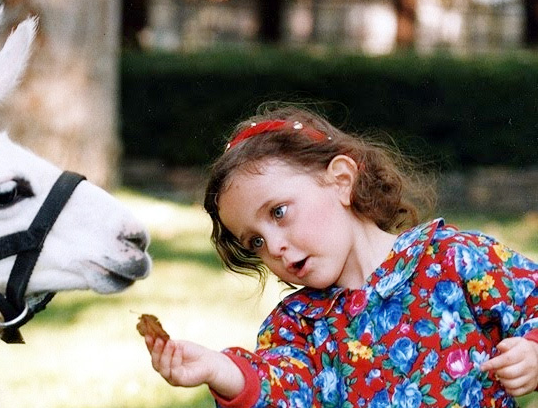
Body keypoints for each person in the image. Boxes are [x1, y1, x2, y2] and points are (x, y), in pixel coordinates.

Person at [141, 104, 538, 408]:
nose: (273, 247)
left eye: (278, 212)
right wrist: (221, 370)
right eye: (255, 241)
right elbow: (282, 389)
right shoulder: (297, 326)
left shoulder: (451, 258)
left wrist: (534, 352)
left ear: (342, 181)